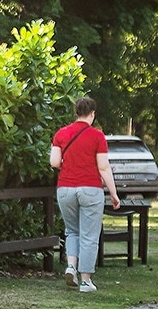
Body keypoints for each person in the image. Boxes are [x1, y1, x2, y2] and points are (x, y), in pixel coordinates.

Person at [50, 95, 120, 294]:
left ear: (76, 112)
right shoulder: (97, 136)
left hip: (65, 188)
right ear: (92, 114)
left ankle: (71, 265)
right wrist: (113, 193)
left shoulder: (61, 134)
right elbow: (104, 167)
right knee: (89, 235)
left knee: (72, 231)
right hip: (90, 188)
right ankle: (85, 280)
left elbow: (55, 162)